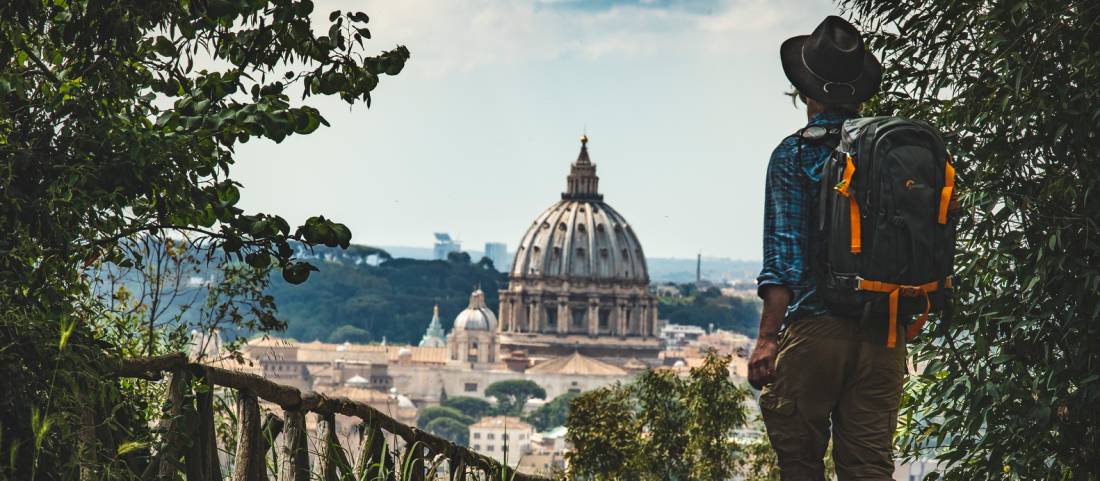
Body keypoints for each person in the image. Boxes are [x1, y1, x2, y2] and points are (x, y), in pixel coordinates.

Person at [749, 15, 904, 481]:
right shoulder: (893, 154)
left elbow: (784, 258)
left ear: (806, 91)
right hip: (885, 333)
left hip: (817, 328)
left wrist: (768, 338)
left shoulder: (795, 154)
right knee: (869, 467)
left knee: (800, 462)